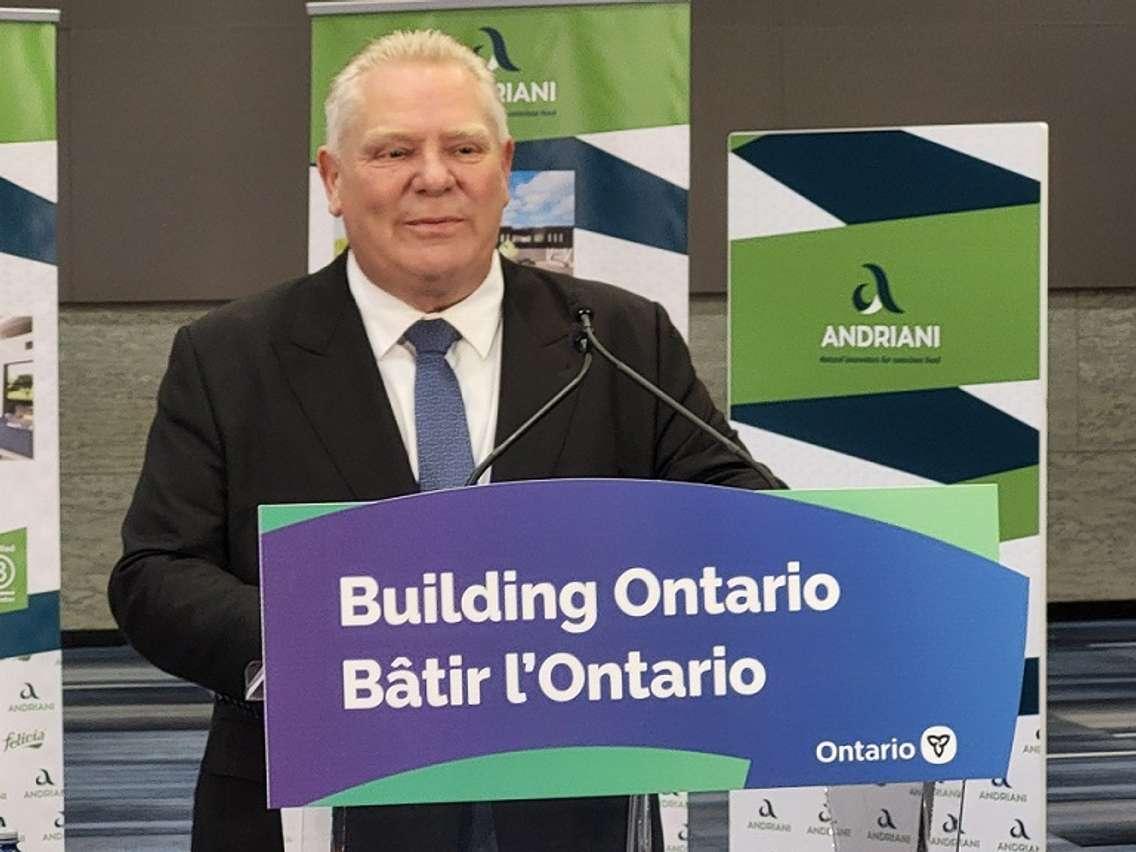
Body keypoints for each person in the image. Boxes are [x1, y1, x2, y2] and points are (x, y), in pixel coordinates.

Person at [108, 29, 782, 852]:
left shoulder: (618, 338)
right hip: (314, 809)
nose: (434, 177)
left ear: (504, 170)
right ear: (332, 180)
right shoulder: (230, 354)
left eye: (463, 147)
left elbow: (748, 520)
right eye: (394, 151)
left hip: (570, 807)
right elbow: (154, 574)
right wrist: (329, 637)